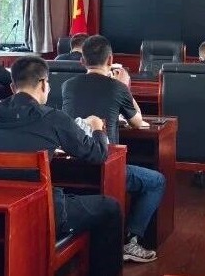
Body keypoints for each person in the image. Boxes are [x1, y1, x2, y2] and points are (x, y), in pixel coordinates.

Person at [0, 56, 123, 276]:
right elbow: (97, 154)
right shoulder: (53, 118)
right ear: (44, 84)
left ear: (13, 87)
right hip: (41, 213)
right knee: (110, 208)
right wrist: (97, 128)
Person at [61, 35, 164, 263]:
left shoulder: (68, 85)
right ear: (110, 60)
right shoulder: (117, 87)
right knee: (156, 181)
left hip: (69, 168)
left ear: (82, 61)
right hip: (105, 167)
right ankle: (131, 241)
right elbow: (138, 122)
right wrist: (125, 87)